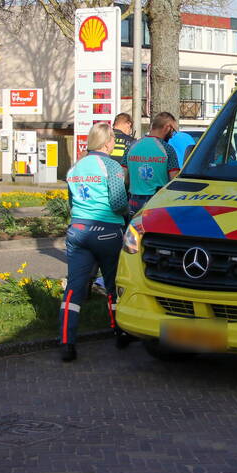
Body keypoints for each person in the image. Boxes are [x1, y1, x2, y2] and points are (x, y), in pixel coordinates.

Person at [60, 122, 131, 361]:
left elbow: (71, 202)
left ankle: (67, 342)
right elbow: (119, 203)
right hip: (107, 231)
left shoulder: (76, 167)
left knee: (74, 288)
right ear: (107, 142)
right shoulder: (111, 166)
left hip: (77, 229)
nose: (114, 144)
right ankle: (119, 332)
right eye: (112, 140)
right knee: (112, 286)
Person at [123, 111, 181, 213]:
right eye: (173, 131)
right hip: (157, 202)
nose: (172, 135)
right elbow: (174, 181)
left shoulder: (132, 146)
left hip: (133, 202)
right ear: (167, 128)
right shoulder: (167, 149)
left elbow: (123, 178)